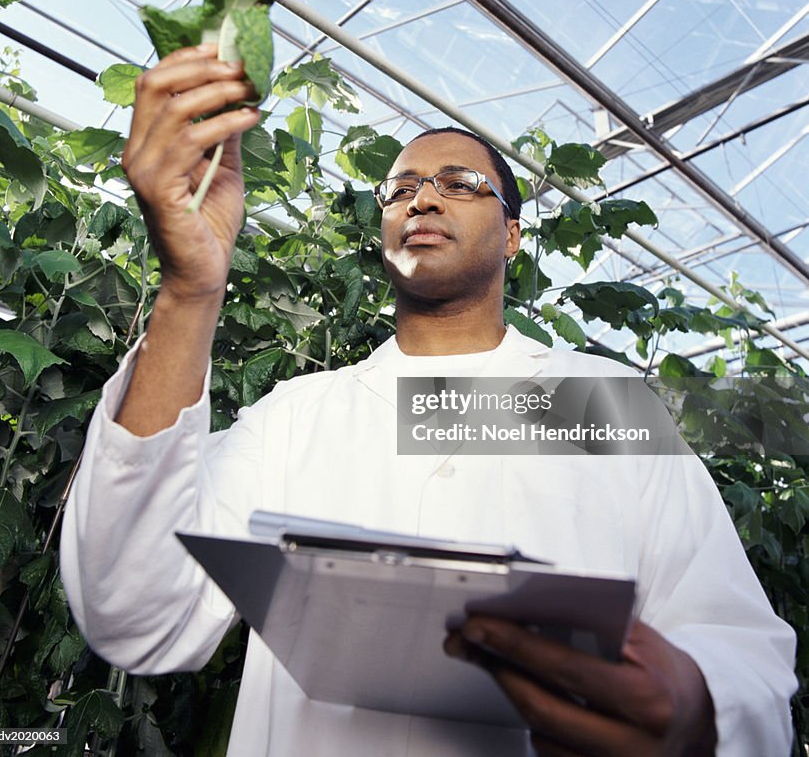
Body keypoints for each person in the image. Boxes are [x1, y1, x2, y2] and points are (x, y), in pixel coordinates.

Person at [61, 43, 796, 756]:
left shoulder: (598, 403)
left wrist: (699, 709)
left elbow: (734, 643)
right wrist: (191, 290)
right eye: (402, 187)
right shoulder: (297, 415)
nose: (423, 197)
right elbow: (134, 613)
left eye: (461, 183)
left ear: (512, 235)